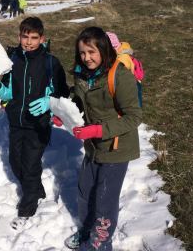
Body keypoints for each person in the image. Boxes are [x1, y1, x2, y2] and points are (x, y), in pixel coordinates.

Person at [0, 17, 70, 229]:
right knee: (15, 162)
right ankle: (35, 189)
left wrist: (50, 103)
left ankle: (27, 209)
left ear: (42, 38)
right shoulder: (13, 59)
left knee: (29, 165)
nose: (28, 42)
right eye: (24, 37)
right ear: (19, 36)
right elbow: (8, 92)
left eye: (33, 38)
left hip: (38, 124)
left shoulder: (50, 63)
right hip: (16, 121)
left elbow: (62, 94)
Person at [63, 27, 142, 251]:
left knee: (105, 199)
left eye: (91, 52)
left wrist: (97, 130)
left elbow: (134, 117)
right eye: (82, 53)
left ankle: (100, 243)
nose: (86, 58)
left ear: (104, 50)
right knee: (84, 191)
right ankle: (87, 231)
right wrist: (66, 114)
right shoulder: (82, 74)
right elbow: (81, 103)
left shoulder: (120, 76)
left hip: (116, 148)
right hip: (93, 147)